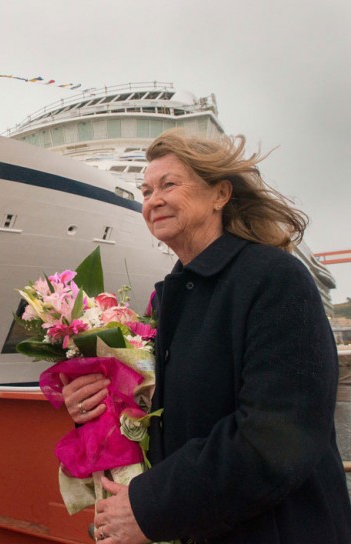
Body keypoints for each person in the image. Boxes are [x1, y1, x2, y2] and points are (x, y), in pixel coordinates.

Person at [61, 129, 351, 543]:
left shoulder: (274, 279)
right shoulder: (175, 297)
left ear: (220, 194)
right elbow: (171, 416)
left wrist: (150, 507)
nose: (152, 201)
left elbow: (274, 435)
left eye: (168, 185)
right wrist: (96, 402)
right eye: (146, 191)